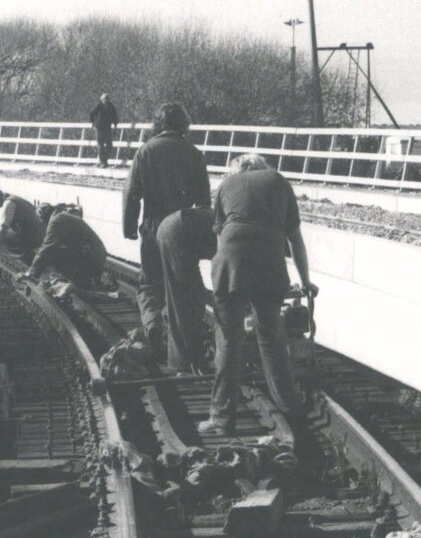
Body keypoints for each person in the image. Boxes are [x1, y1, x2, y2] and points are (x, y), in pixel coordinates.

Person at [201, 152, 315, 435]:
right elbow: (295, 239)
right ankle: (290, 408)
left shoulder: (227, 185)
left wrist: (222, 277)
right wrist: (306, 281)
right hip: (268, 261)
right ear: (262, 167)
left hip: (231, 262)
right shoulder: (278, 180)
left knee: (228, 339)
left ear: (238, 169)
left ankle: (221, 418)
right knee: (272, 337)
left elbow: (220, 239)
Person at [121, 102, 211, 371]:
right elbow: (204, 200)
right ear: (184, 124)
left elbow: (131, 193)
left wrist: (128, 226)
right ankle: (187, 348)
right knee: (185, 290)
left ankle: (153, 325)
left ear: (158, 124)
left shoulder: (145, 151)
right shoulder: (193, 153)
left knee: (150, 285)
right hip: (183, 232)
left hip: (152, 228)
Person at [150, 207, 218, 374]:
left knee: (184, 300)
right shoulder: (241, 235)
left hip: (173, 229)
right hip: (179, 233)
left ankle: (183, 360)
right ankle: (189, 362)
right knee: (188, 303)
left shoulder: (240, 225)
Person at [28, 205, 112, 290]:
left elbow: (48, 247)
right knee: (57, 251)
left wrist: (31, 273)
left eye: (41, 219)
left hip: (91, 257)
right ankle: (77, 279)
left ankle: (77, 280)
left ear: (44, 217)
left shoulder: (56, 221)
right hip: (94, 254)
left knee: (53, 254)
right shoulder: (62, 215)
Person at [0, 186, 46, 264]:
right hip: (41, 232)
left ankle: (26, 257)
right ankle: (28, 251)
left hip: (37, 236)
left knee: (1, 237)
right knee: (9, 231)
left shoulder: (8, 204)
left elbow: (2, 230)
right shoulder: (13, 198)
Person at [89, 92, 120, 168]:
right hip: (99, 127)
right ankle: (103, 162)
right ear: (101, 100)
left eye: (107, 99)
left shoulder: (111, 106)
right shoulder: (98, 106)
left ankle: (105, 160)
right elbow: (92, 114)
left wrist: (115, 124)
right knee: (101, 145)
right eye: (104, 99)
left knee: (109, 145)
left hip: (107, 127)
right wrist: (93, 122)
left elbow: (115, 115)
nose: (106, 101)